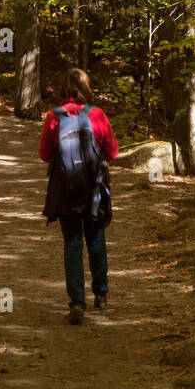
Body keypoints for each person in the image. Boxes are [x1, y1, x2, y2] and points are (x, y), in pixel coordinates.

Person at [39, 67, 119, 324]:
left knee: (72, 243)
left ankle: (76, 302)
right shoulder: (96, 114)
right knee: (95, 240)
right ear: (86, 88)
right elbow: (113, 152)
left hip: (65, 191)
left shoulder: (54, 116)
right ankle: (101, 294)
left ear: (63, 88)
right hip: (93, 189)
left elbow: (43, 154)